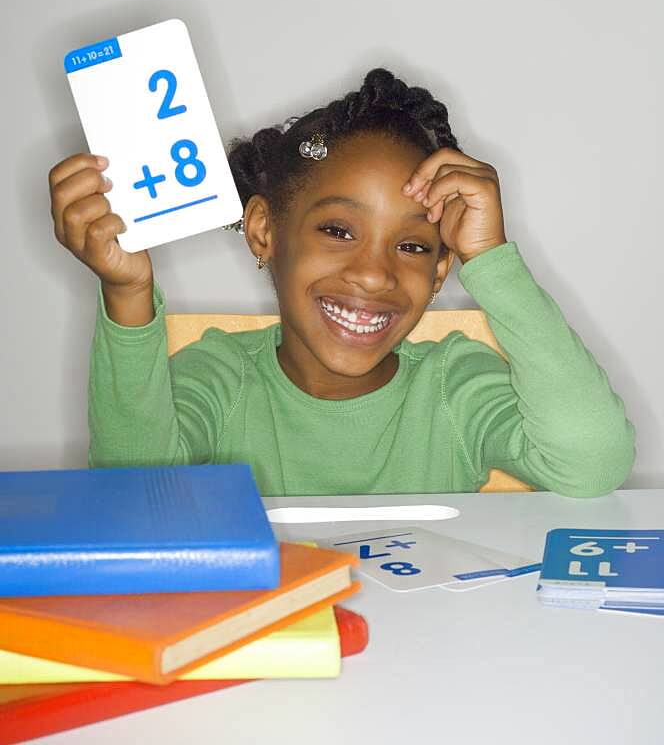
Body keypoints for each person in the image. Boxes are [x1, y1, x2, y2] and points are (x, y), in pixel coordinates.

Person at [48, 68, 636, 496]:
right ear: (263, 233)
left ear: (440, 272)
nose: (376, 273)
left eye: (412, 246)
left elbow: (592, 464)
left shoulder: (455, 386)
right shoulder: (222, 378)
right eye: (337, 229)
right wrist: (126, 293)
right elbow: (137, 490)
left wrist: (493, 261)